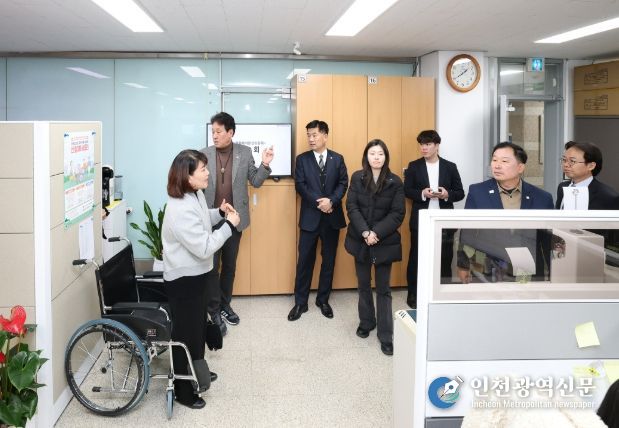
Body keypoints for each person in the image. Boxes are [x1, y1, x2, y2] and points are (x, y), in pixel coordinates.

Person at [162, 149, 240, 409]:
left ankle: (196, 371)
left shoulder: (194, 194)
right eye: (203, 169)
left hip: (198, 276)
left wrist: (219, 213)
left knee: (197, 330)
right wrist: (229, 225)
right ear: (188, 176)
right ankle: (183, 391)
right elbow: (205, 247)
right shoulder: (179, 209)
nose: (208, 173)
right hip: (184, 281)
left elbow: (202, 218)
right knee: (185, 335)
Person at [201, 112, 274, 335]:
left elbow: (256, 181)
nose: (214, 135)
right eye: (212, 131)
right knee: (211, 267)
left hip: (234, 220)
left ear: (230, 132)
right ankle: (213, 310)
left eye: (218, 131)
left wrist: (265, 163)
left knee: (229, 267)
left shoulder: (244, 152)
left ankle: (225, 305)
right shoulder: (204, 154)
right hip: (211, 219)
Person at [457, 142, 554, 283]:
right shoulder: (477, 192)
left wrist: (554, 271)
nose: (497, 165)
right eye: (494, 160)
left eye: (504, 161)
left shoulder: (542, 198)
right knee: (487, 296)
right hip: (488, 265)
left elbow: (547, 240)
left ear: (520, 167)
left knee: (524, 296)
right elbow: (468, 231)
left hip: (525, 267)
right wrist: (463, 265)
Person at [345, 139, 405, 356]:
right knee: (363, 284)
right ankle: (367, 322)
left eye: (380, 153)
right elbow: (351, 206)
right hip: (360, 239)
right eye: (372, 153)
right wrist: (365, 232)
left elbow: (397, 213)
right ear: (366, 157)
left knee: (383, 289)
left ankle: (386, 334)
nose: (376, 157)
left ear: (386, 157)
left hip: (384, 241)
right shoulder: (357, 177)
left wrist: (376, 233)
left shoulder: (395, 181)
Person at [288, 120, 348, 321]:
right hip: (310, 218)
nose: (311, 139)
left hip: (332, 218)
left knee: (328, 261)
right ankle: (300, 302)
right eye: (309, 135)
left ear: (325, 136)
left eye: (314, 135)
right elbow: (300, 185)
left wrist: (332, 201)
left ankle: (323, 300)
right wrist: (320, 202)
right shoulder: (302, 159)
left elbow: (343, 183)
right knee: (304, 261)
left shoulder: (337, 159)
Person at [403, 130, 464, 308]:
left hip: (443, 221)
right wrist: (422, 193)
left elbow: (460, 192)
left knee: (445, 257)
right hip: (421, 220)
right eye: (422, 144)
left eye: (428, 144)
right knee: (416, 258)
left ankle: (442, 292)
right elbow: (407, 190)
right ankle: (413, 294)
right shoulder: (414, 166)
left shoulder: (450, 167)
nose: (424, 148)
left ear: (437, 146)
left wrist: (447, 194)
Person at [556, 140, 619, 210]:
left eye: (572, 161)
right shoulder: (562, 187)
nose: (566, 165)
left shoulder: (608, 196)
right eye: (564, 160)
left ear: (591, 166)